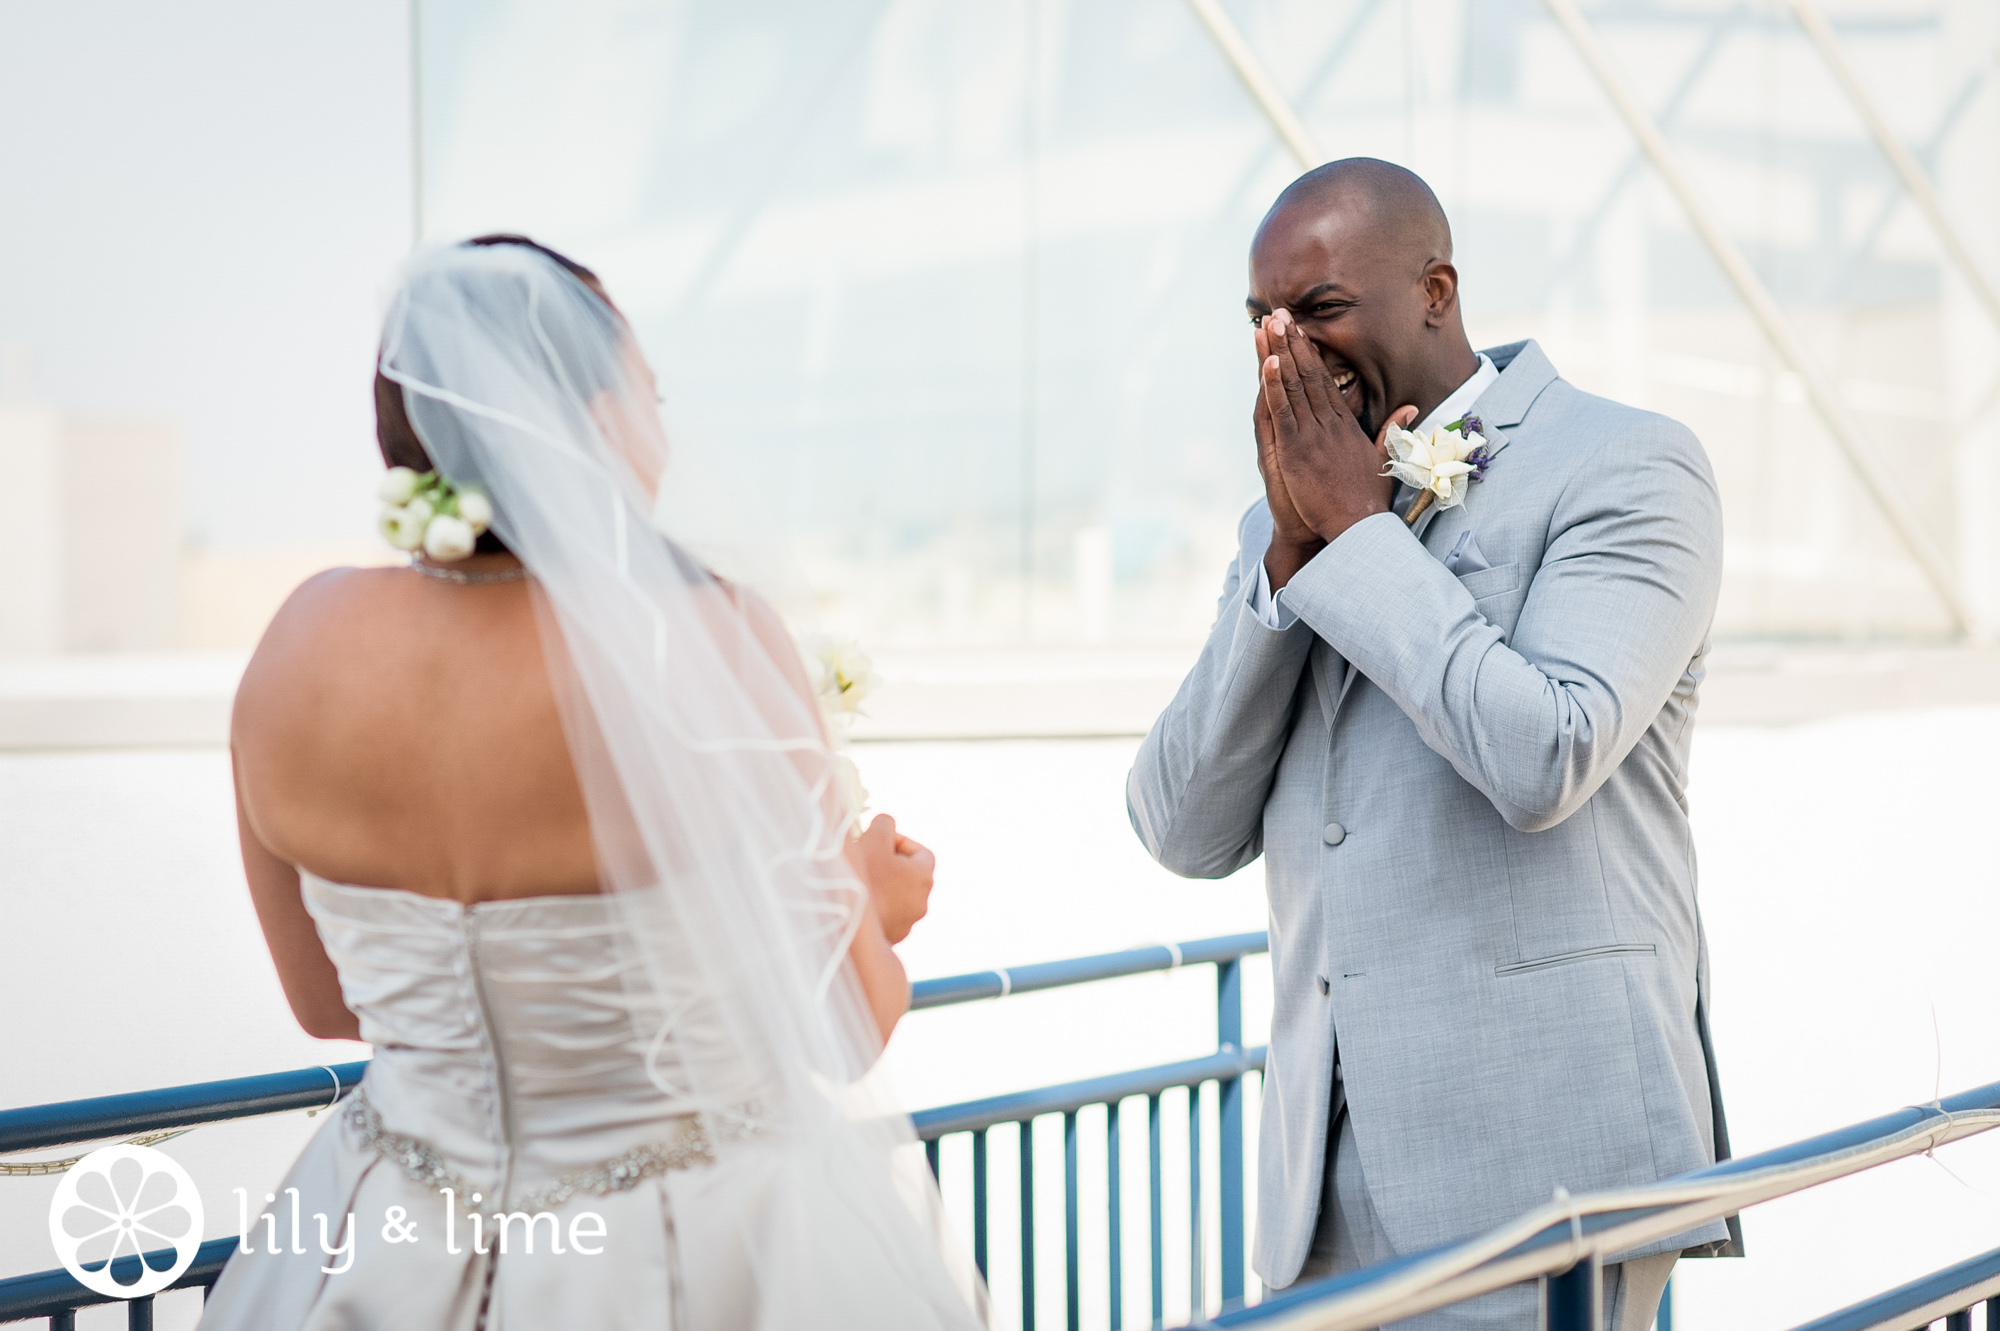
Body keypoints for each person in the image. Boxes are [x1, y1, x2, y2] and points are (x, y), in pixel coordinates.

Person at [200, 237, 985, 1330]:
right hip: (683, 1245)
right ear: (597, 414)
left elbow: (327, 1001)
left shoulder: (298, 641)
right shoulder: (697, 641)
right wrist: (871, 903)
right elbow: (842, 1026)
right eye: (647, 392)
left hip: (382, 1230)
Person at [1127, 159, 1737, 1329]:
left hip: (1543, 1181)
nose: (1282, 352)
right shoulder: (1286, 518)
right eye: (1257, 322)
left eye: (1314, 311)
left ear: (1434, 291)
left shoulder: (1627, 464)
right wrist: (1291, 560)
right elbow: (1180, 827)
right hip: (1318, 1190)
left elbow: (1543, 755)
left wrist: (1360, 532)